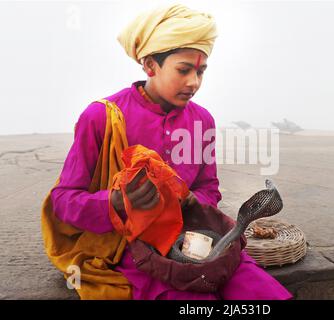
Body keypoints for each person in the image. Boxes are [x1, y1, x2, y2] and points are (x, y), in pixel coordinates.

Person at [45, 3, 293, 300]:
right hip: (134, 248)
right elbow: (63, 201)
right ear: (150, 65)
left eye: (201, 71)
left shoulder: (202, 120)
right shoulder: (101, 117)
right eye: (184, 70)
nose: (194, 82)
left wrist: (191, 199)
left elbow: (208, 187)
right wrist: (117, 202)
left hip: (196, 236)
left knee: (258, 289)